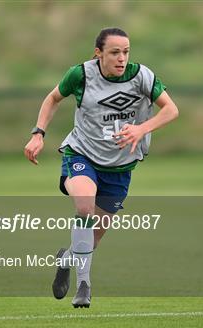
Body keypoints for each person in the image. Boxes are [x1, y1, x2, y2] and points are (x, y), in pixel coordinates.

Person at [23, 27, 179, 308]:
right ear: (99, 53)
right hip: (82, 153)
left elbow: (171, 109)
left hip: (120, 167)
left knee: (91, 241)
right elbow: (52, 99)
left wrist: (141, 129)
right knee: (85, 207)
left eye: (126, 52)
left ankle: (67, 258)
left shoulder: (142, 76)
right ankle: (84, 286)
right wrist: (38, 133)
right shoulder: (80, 75)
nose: (122, 58)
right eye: (114, 52)